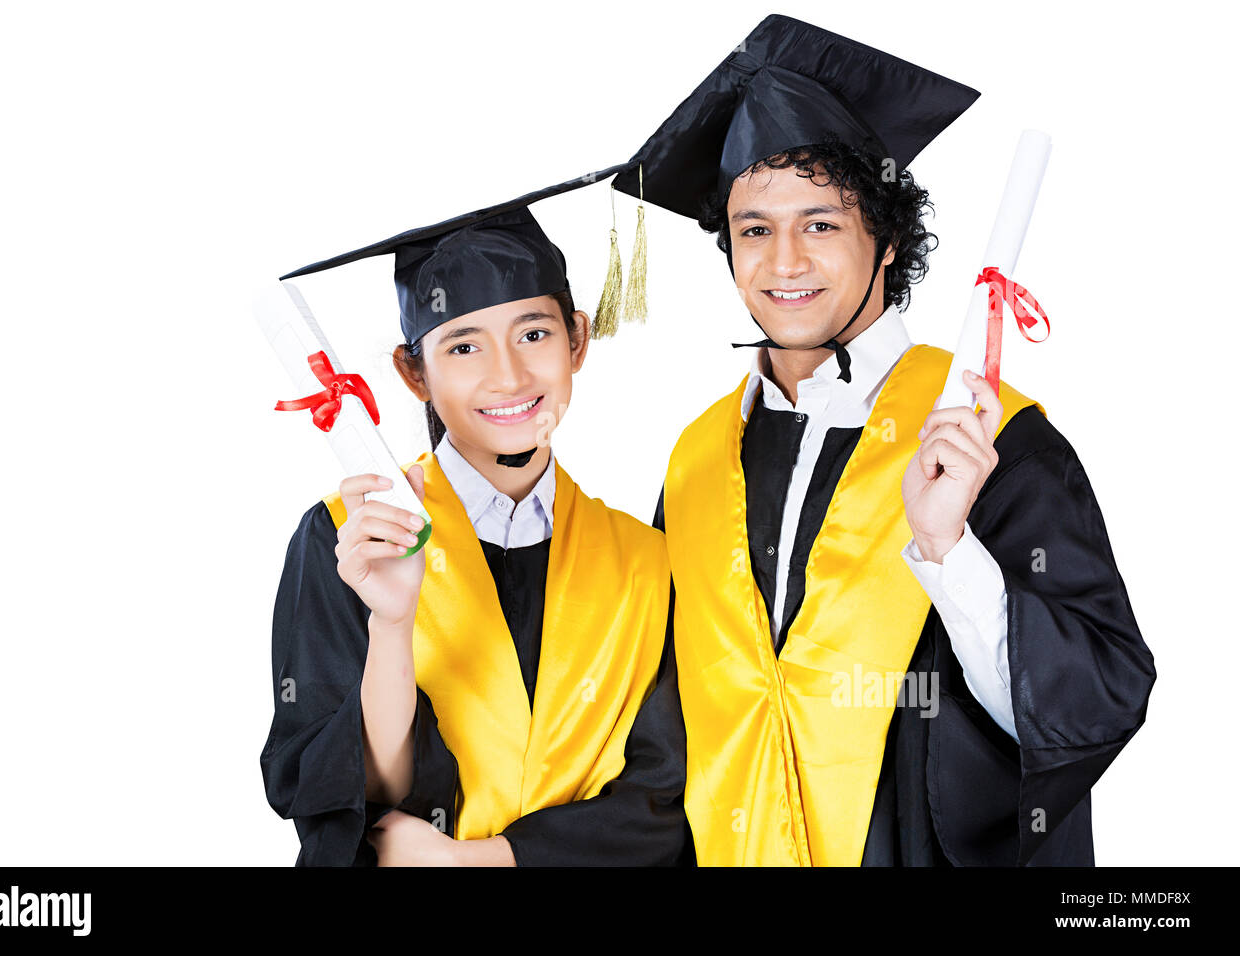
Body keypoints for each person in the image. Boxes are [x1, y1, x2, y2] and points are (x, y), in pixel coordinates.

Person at [612, 15, 1155, 865]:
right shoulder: (697, 459)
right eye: (755, 228)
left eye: (820, 224)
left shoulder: (994, 439)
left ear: (887, 238)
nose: (784, 260)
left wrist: (947, 549)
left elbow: (1096, 702)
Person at [259, 166, 689, 866]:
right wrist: (391, 625)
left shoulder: (646, 561)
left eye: (534, 334)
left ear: (577, 340)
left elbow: (663, 802)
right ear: (413, 372)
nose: (509, 377)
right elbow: (353, 793)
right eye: (462, 346)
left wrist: (475, 860)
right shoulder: (352, 534)